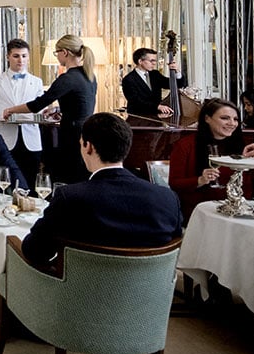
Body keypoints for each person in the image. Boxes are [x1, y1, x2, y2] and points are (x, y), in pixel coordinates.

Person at [22, 113, 183, 267]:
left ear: (88, 147)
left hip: (81, 293)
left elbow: (34, 252)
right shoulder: (168, 198)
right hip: (152, 293)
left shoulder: (70, 198)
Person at [2, 34, 97, 182]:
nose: (57, 57)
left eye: (57, 53)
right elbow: (81, 103)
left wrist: (11, 110)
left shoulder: (67, 78)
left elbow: (37, 105)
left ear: (64, 52)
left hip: (72, 134)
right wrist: (58, 110)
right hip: (86, 131)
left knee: (67, 175)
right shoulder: (89, 75)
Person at [169, 98, 251, 223]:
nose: (232, 123)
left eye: (235, 119)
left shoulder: (242, 145)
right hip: (200, 211)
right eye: (225, 118)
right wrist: (200, 180)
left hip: (239, 211)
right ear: (207, 119)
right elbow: (174, 183)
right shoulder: (185, 145)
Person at [0, 39, 44, 189]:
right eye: (16, 56)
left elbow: (41, 109)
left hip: (30, 138)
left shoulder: (36, 82)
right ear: (8, 57)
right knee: (4, 180)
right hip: (5, 136)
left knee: (30, 181)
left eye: (24, 56)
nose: (21, 60)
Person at [121, 47, 186, 118]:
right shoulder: (128, 79)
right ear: (140, 61)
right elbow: (135, 101)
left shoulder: (155, 74)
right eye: (151, 61)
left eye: (155, 61)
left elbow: (176, 85)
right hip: (138, 118)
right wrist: (157, 107)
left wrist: (176, 71)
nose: (154, 63)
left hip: (157, 117)